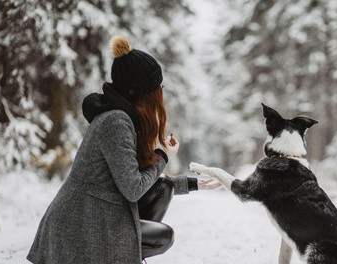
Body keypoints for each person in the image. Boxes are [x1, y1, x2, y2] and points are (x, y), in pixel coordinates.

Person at [27, 35, 221, 264]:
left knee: (164, 187)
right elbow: (133, 189)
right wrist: (163, 157)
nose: (161, 91)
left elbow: (142, 179)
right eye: (157, 86)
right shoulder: (115, 122)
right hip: (79, 229)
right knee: (163, 236)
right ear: (141, 92)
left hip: (96, 218)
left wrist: (191, 183)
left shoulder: (123, 119)